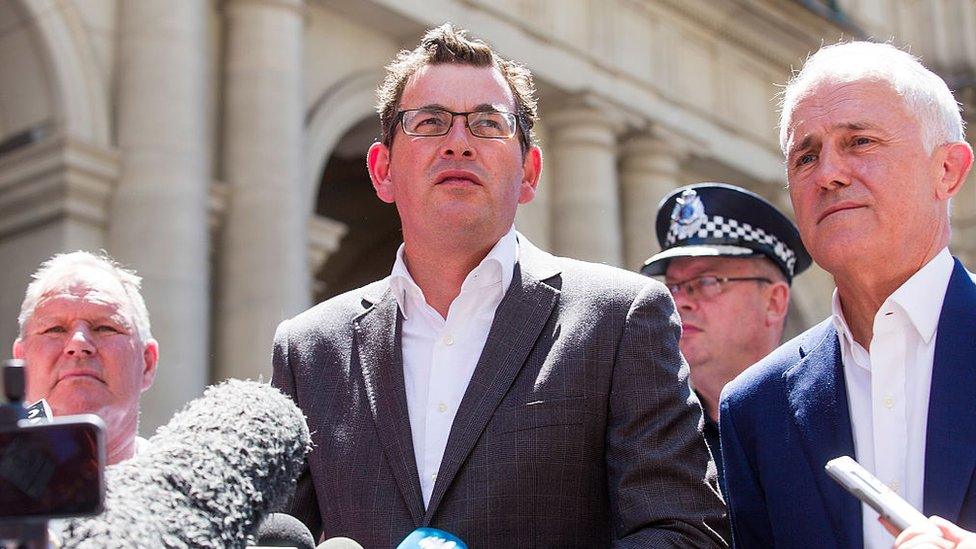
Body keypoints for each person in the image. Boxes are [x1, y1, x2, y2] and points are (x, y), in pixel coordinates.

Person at [271, 24, 728, 547]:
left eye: (488, 124)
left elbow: (685, 533)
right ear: (383, 170)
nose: (458, 143)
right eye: (430, 122)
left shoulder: (619, 319)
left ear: (530, 172)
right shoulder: (308, 350)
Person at [719, 41, 975, 549]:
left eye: (860, 142)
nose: (828, 174)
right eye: (805, 156)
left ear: (947, 170)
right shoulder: (756, 406)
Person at [640, 182, 810, 481]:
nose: (679, 301)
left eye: (707, 281)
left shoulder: (817, 420)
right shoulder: (657, 436)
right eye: (673, 286)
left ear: (774, 301)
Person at [12, 251, 159, 465]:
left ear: (147, 363)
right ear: (21, 364)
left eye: (104, 328)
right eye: (56, 329)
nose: (79, 343)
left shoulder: (195, 490)